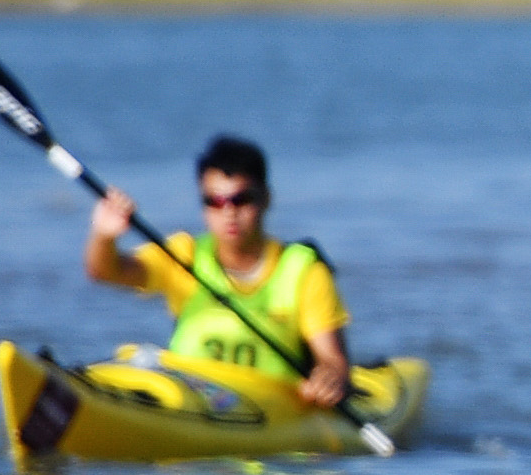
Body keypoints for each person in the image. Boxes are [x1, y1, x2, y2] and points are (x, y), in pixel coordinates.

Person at [84, 134, 352, 407]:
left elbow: (332, 360)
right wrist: (104, 237)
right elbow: (107, 272)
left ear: (266, 199)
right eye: (214, 201)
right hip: (191, 401)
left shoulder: (303, 269)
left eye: (241, 199)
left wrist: (330, 378)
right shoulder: (183, 255)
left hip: (271, 410)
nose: (229, 213)